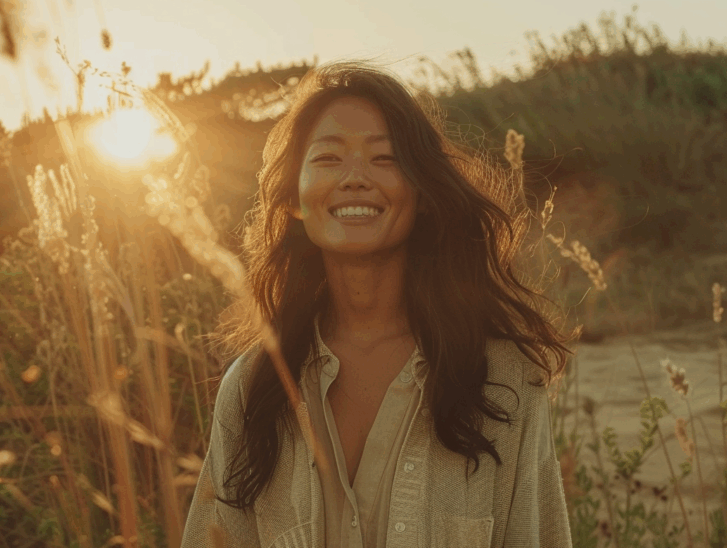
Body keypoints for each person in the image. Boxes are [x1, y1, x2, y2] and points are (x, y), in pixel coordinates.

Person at [181, 60, 575, 548]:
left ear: (423, 192)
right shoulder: (251, 388)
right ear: (292, 199)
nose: (354, 179)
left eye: (384, 159)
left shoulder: (505, 379)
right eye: (327, 159)